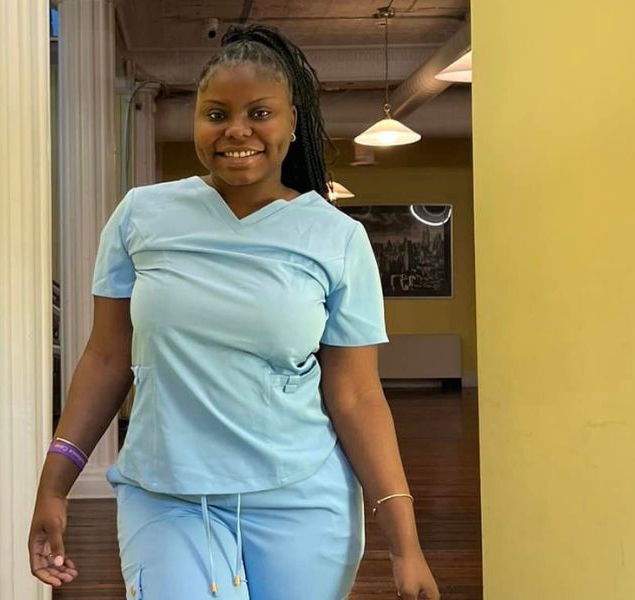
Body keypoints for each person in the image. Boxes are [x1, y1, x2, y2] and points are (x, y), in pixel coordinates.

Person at [28, 24, 440, 600]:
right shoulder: (141, 215)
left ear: (292, 123)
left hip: (301, 499)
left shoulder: (336, 237)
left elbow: (355, 395)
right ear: (197, 120)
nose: (236, 130)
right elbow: (105, 357)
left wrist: (405, 543)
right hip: (168, 494)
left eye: (259, 113)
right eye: (216, 114)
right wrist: (54, 484)